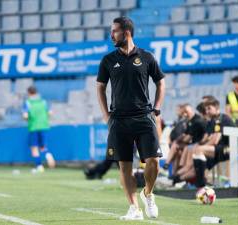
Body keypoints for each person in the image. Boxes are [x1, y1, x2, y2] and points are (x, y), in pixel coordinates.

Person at [97, 16, 165, 220]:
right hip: (118, 120)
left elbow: (161, 82)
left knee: (153, 161)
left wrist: (157, 108)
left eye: (114, 31)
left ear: (126, 33)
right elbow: (100, 87)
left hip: (144, 117)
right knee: (124, 166)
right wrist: (106, 116)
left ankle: (148, 194)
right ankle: (134, 208)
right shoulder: (108, 60)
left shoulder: (147, 57)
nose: (111, 35)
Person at [192, 99, 235, 188]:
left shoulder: (223, 119)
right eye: (206, 109)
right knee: (196, 156)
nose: (207, 111)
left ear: (216, 108)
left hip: (230, 148)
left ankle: (201, 183)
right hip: (219, 148)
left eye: (209, 109)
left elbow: (215, 140)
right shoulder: (213, 120)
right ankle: (198, 181)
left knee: (199, 150)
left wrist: (202, 147)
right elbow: (208, 137)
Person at [23, 86, 55, 173]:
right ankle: (48, 155)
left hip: (33, 127)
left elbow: (25, 116)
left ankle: (39, 166)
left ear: (29, 93)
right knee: (43, 146)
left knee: (34, 147)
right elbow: (50, 113)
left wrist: (28, 119)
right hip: (44, 126)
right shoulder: (43, 102)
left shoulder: (28, 102)